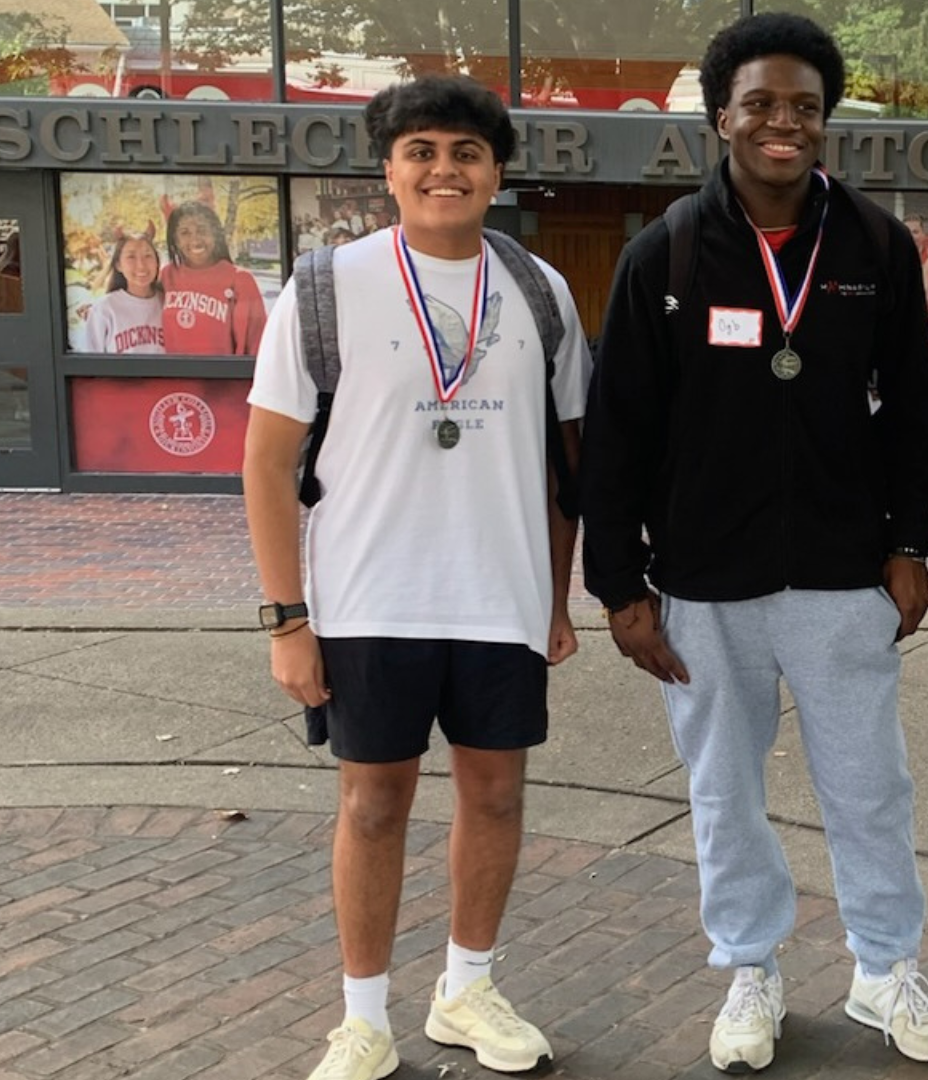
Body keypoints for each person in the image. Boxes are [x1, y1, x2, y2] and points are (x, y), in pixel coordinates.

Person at [579, 11, 928, 1074]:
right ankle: (751, 964)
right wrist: (619, 583)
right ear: (722, 120)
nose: (782, 123)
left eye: (803, 106)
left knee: (870, 786)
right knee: (723, 790)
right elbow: (619, 430)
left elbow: (914, 415)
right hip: (704, 579)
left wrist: (909, 542)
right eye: (761, 105)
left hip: (844, 576)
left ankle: (885, 969)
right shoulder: (664, 253)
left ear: (824, 122)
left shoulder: (877, 247)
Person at [243, 74, 591, 1080]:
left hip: (501, 593)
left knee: (494, 797)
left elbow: (566, 467)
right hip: (366, 596)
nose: (446, 169)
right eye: (423, 151)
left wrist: (556, 600)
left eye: (468, 153)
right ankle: (362, 1018)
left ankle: (467, 990)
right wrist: (285, 620)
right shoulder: (325, 286)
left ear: (497, 172)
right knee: (372, 804)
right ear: (389, 169)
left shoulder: (540, 291)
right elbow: (267, 462)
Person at [161, 200, 268, 356]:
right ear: (175, 240)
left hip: (223, 379)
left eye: (202, 230)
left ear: (215, 235)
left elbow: (256, 344)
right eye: (185, 232)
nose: (195, 239)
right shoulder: (167, 275)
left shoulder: (239, 279)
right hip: (175, 378)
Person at [81, 232, 166, 355]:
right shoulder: (104, 310)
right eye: (131, 257)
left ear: (157, 262)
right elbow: (90, 365)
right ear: (118, 265)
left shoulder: (168, 304)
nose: (141, 265)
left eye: (148, 256)